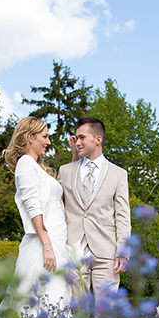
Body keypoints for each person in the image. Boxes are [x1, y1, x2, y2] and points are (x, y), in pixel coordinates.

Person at [2, 117, 72, 314]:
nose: (48, 142)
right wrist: (47, 245)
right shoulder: (26, 163)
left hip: (56, 243)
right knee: (39, 299)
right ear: (30, 137)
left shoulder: (39, 168)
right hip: (43, 245)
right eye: (45, 136)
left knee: (56, 297)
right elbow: (33, 206)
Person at [59, 117, 131, 299]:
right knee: (75, 312)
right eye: (76, 138)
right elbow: (57, 208)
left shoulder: (118, 174)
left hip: (106, 252)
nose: (78, 142)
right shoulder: (65, 171)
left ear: (98, 139)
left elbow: (123, 217)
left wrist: (123, 252)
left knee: (107, 313)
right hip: (73, 250)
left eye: (82, 137)